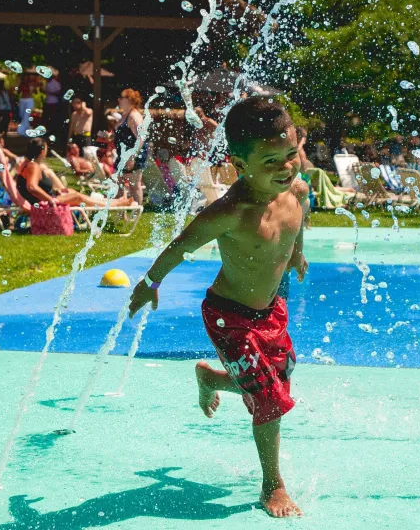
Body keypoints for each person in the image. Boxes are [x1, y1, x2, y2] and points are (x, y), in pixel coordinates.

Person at [128, 97, 307, 518]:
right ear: (239, 163)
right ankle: (272, 484)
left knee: (283, 373)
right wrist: (150, 283)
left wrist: (298, 253)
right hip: (230, 317)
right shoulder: (230, 211)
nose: (285, 167)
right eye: (270, 161)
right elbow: (180, 246)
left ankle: (211, 378)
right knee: (268, 398)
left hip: (270, 310)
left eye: (290, 154)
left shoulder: (295, 188)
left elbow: (299, 219)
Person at [15, 138, 133, 208]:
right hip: (43, 203)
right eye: (45, 149)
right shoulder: (33, 166)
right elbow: (31, 187)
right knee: (78, 196)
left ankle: (114, 202)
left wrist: (56, 192)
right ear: (41, 151)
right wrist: (50, 199)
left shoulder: (26, 163)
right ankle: (116, 204)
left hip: (43, 200)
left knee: (72, 192)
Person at [115, 89, 148, 204]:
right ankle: (121, 213)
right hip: (123, 154)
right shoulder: (125, 114)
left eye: (121, 97)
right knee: (118, 184)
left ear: (129, 100)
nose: (119, 99)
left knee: (135, 186)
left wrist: (132, 157)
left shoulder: (134, 115)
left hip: (132, 155)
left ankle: (136, 214)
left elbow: (141, 137)